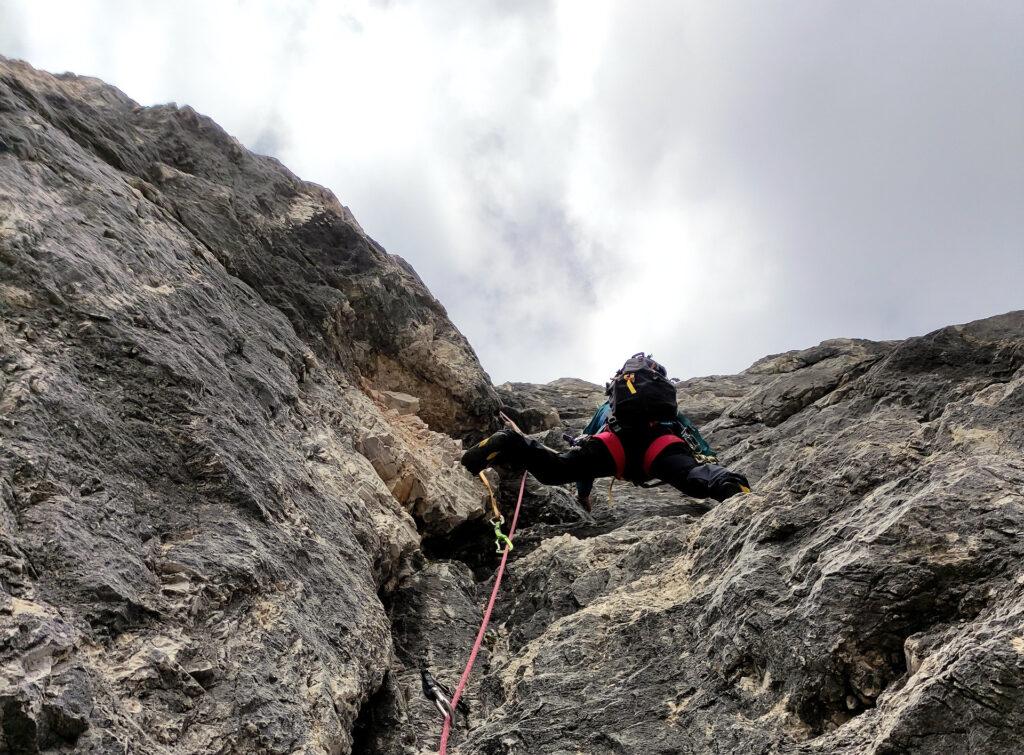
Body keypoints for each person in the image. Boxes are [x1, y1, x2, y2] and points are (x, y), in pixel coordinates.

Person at [462, 353, 750, 509]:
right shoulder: (661, 408)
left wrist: (583, 495)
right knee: (690, 478)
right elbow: (687, 430)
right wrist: (709, 458)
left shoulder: (608, 407)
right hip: (659, 446)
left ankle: (510, 443)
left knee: (555, 469)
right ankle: (730, 485)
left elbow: (587, 441)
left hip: (613, 445)